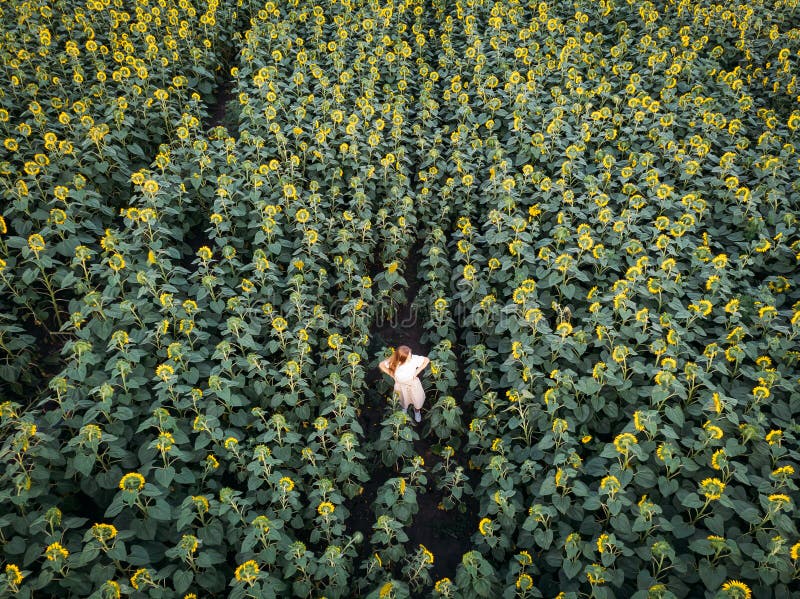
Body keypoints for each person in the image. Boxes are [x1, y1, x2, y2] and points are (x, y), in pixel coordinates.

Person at [378, 345, 430, 423]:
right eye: (407, 358)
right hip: (400, 385)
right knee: (403, 399)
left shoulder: (414, 359)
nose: (410, 358)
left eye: (410, 355)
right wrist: (391, 374)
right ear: (400, 359)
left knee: (417, 400)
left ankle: (417, 411)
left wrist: (417, 371)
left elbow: (426, 360)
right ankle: (404, 409)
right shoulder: (394, 361)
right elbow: (381, 365)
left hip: (412, 384)